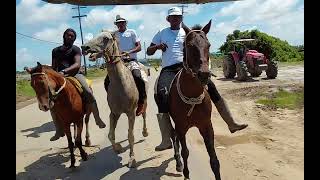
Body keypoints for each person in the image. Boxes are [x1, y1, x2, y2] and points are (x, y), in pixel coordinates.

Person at [147, 7, 248, 151]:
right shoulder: (161, 33)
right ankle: (165, 139)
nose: (175, 19)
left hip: (187, 67)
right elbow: (148, 51)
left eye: (178, 17)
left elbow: (201, 47)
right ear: (168, 19)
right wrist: (157, 46)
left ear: (181, 19)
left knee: (211, 87)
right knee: (162, 93)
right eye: (172, 17)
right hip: (168, 69)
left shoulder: (189, 33)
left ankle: (231, 122)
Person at [50, 28, 106, 141]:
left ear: (74, 39)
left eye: (72, 36)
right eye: (68, 35)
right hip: (59, 77)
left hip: (75, 75)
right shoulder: (55, 51)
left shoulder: (75, 49)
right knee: (51, 99)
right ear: (64, 36)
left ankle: (97, 118)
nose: (69, 37)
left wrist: (64, 71)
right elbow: (54, 66)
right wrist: (53, 75)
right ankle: (58, 129)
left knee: (88, 91)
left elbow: (77, 64)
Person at [104, 15, 147, 116]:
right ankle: (114, 101)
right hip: (119, 62)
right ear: (116, 24)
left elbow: (139, 47)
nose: (120, 24)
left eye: (122, 22)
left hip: (131, 60)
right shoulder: (114, 35)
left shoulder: (132, 32)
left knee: (137, 76)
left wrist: (129, 52)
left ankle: (141, 102)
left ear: (125, 23)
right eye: (118, 23)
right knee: (107, 81)